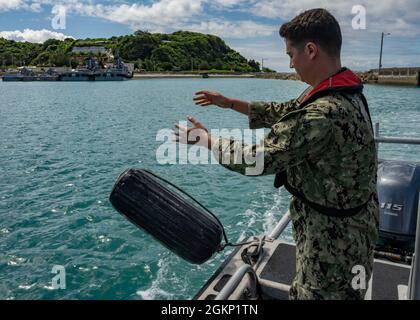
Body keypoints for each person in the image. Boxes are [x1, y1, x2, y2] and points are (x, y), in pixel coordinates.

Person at [174, 8, 378, 300]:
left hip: (332, 246)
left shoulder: (322, 114)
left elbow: (256, 159)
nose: (291, 64)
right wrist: (230, 103)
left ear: (310, 50)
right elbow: (286, 111)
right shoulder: (346, 91)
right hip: (355, 229)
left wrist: (207, 140)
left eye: (290, 56)